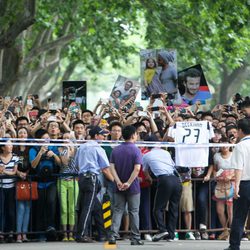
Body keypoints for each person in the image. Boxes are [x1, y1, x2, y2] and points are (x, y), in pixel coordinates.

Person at [75, 126, 114, 243]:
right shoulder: (98, 148)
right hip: (91, 178)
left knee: (96, 207)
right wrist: (115, 181)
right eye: (102, 135)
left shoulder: (81, 147)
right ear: (96, 136)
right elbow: (105, 169)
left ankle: (103, 234)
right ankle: (81, 235)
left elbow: (76, 164)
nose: (103, 137)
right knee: (88, 208)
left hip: (82, 178)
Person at [142, 134, 182, 242]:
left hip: (164, 180)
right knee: (174, 208)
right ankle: (171, 234)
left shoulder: (147, 155)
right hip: (176, 180)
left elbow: (144, 170)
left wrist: (149, 178)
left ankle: (162, 229)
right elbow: (173, 165)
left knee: (157, 208)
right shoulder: (165, 152)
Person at [108, 125, 144, 245]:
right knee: (134, 211)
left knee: (117, 210)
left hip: (118, 186)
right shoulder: (136, 150)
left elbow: (111, 167)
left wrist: (118, 181)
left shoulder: (116, 150)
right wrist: (128, 182)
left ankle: (113, 235)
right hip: (132, 186)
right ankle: (135, 238)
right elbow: (137, 169)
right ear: (134, 135)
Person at [224, 118, 250, 250]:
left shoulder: (240, 146)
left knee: (239, 216)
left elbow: (238, 168)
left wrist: (236, 186)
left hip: (245, 184)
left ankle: (234, 245)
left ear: (240, 130)